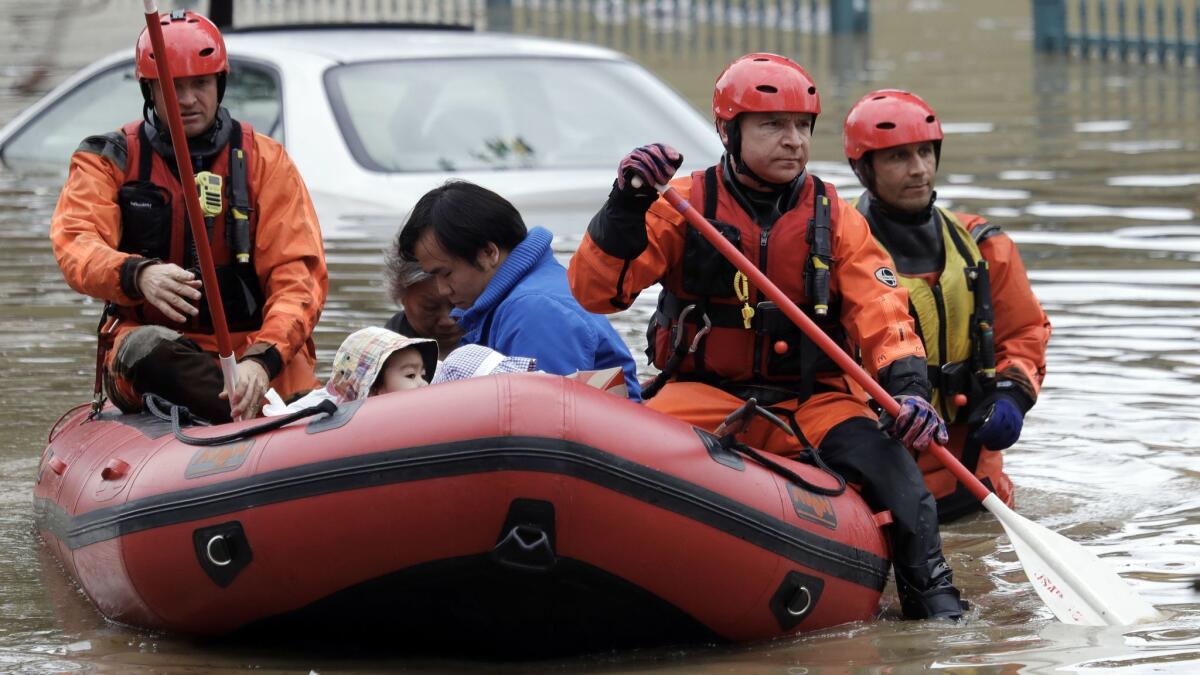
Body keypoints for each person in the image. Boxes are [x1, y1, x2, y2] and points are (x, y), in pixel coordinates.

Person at [567, 53, 964, 619]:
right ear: (729, 132)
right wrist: (625, 204)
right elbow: (594, 293)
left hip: (816, 402)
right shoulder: (681, 205)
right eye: (773, 125)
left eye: (802, 126)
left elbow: (885, 313)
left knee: (904, 486)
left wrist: (909, 389)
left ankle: (936, 610)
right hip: (705, 396)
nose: (793, 141)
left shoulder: (838, 217)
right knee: (629, 461)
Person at [49, 10, 327, 422]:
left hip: (257, 357)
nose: (188, 100)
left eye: (200, 83)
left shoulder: (265, 161)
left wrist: (261, 359)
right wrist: (137, 274)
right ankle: (234, 410)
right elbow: (76, 244)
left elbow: (298, 278)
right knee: (147, 348)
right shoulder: (108, 159)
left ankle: (248, 405)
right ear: (149, 91)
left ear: (220, 83)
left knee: (277, 363)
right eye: (172, 87)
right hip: (159, 353)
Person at [843, 89, 1051, 521]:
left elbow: (1026, 334)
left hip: (973, 475)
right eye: (898, 157)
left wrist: (1012, 395)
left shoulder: (985, 246)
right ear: (865, 169)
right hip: (877, 472)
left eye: (925, 152)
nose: (919, 170)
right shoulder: (836, 250)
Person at [398, 180, 642, 400]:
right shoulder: (519, 299)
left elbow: (545, 422)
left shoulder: (535, 311)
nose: (442, 289)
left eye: (446, 273)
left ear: (488, 253)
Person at [263, 327, 440, 415]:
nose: (423, 383)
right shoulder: (333, 413)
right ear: (374, 388)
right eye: (411, 375)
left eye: (423, 375)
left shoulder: (423, 416)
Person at [383, 247, 463, 358]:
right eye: (430, 307)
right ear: (403, 299)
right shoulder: (386, 348)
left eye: (459, 304)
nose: (448, 321)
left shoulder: (493, 333)